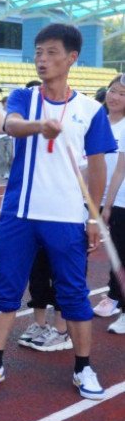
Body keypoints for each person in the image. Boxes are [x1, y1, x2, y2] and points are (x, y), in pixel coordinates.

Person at [0, 24, 115, 400]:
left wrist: (94, 216)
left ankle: (83, 367)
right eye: (37, 53)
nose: (42, 60)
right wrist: (40, 127)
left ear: (71, 58)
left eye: (51, 52)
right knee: (6, 289)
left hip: (67, 218)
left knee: (74, 293)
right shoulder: (24, 97)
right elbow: (11, 125)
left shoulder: (91, 110)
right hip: (19, 214)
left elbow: (97, 167)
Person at [96, 74, 125, 320]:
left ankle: (115, 296)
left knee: (120, 251)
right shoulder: (97, 121)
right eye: (112, 90)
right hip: (93, 196)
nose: (114, 97)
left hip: (119, 199)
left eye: (122, 94)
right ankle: (114, 295)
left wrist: (108, 204)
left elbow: (120, 170)